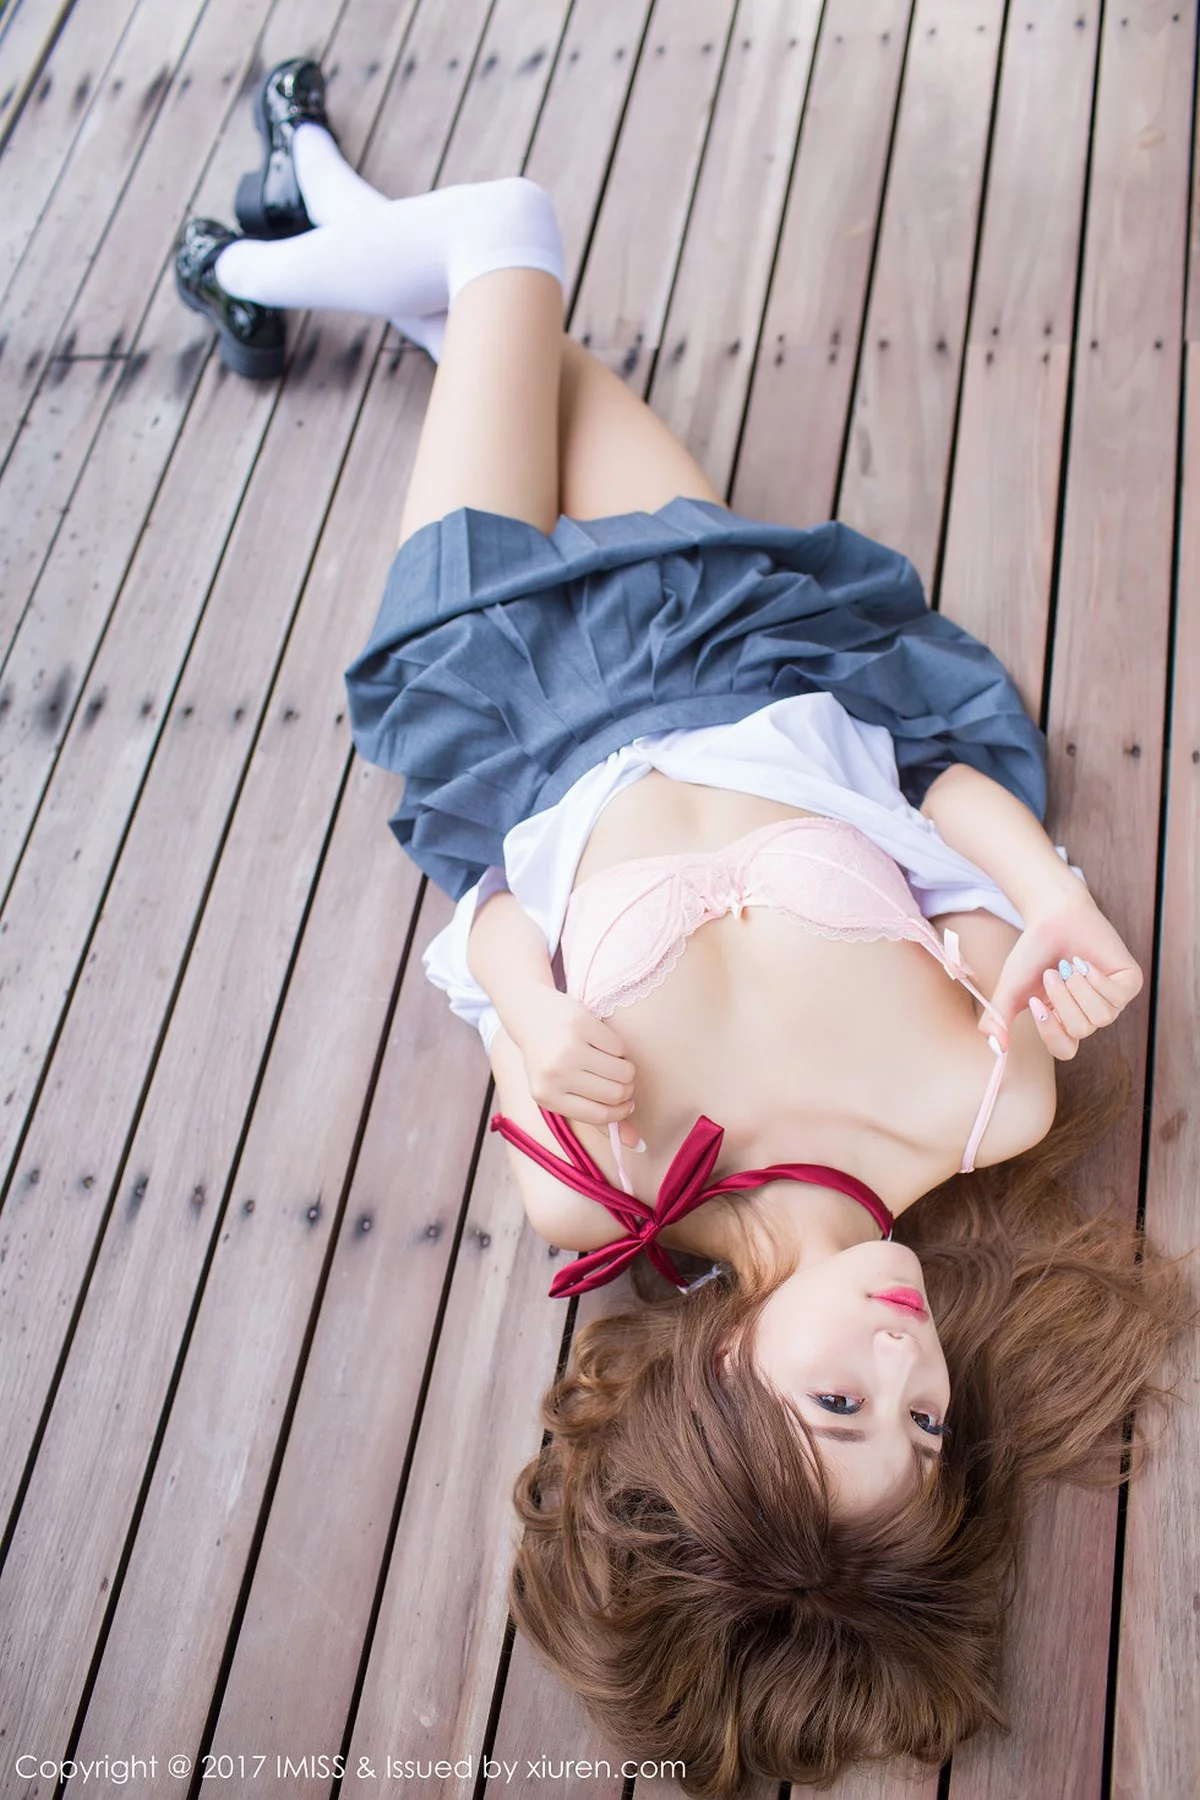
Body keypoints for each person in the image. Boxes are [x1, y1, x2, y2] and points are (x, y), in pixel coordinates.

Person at [175, 61, 1192, 1797]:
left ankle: (246, 264)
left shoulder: (595, 1187)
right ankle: (303, 196)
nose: (905, 1361)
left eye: (841, 1407)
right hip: (726, 634)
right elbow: (936, 786)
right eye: (925, 1421)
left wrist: (530, 1013)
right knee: (529, 350)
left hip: (505, 693)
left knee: (504, 249)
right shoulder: (985, 1101)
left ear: (722, 1373)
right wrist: (1047, 897)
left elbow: (488, 912)